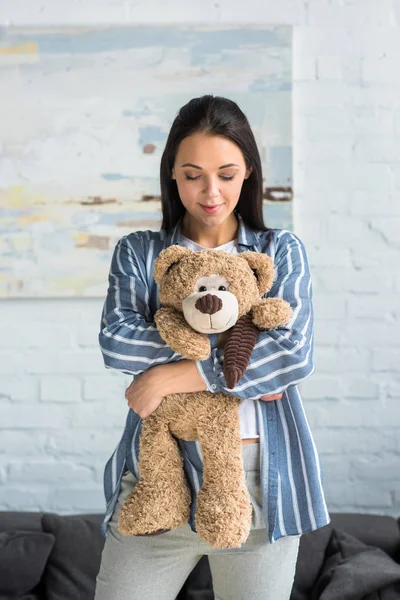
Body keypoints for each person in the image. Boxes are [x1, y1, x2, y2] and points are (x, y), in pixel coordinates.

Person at [94, 94, 330, 600]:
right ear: (172, 175)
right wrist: (244, 355)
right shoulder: (141, 253)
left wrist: (171, 376)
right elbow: (117, 341)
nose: (211, 191)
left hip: (258, 482)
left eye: (226, 173)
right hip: (159, 475)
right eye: (193, 173)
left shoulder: (278, 252)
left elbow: (292, 356)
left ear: (247, 172)